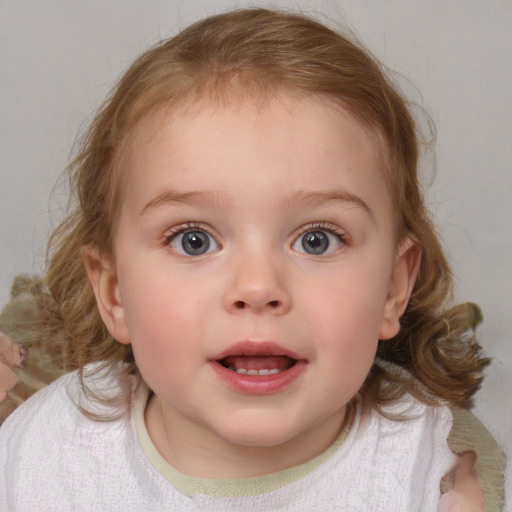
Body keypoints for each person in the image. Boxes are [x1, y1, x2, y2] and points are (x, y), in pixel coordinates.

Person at [0, 8, 505, 511]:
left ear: (394, 288)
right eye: (193, 240)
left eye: (317, 240)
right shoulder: (49, 452)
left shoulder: (439, 475)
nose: (258, 286)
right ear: (113, 293)